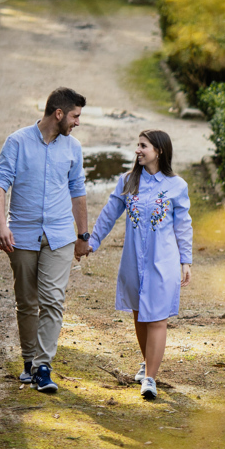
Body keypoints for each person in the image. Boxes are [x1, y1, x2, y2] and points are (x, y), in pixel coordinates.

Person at [0, 87, 90, 394]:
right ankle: (29, 362)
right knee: (27, 301)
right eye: (75, 116)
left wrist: (83, 235)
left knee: (53, 300)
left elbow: (77, 192)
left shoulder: (73, 148)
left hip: (59, 235)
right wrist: (1, 225)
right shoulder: (17, 142)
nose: (77, 122)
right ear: (58, 114)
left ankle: (43, 366)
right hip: (22, 234)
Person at [85, 129, 192, 400]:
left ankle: (150, 379)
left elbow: (183, 225)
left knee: (157, 318)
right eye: (138, 145)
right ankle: (147, 361)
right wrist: (91, 241)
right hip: (133, 261)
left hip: (162, 260)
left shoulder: (176, 185)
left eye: (143, 146)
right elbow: (109, 213)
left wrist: (186, 260)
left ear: (160, 151)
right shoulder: (128, 181)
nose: (138, 150)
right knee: (139, 315)